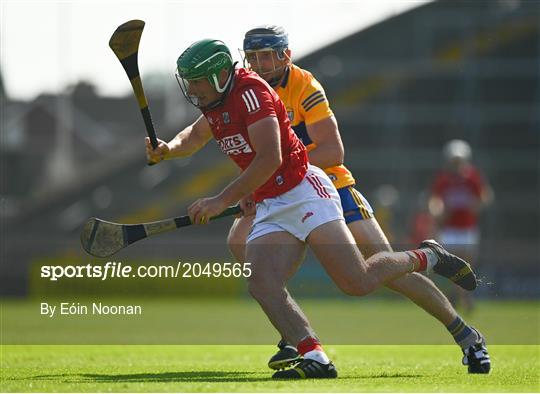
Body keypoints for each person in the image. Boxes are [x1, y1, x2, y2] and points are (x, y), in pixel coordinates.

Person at [146, 38, 482, 379]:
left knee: (357, 281)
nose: (192, 89)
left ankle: (428, 256)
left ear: (219, 76)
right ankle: (314, 354)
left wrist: (224, 198)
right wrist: (169, 148)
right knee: (261, 283)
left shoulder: (252, 93)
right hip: (271, 201)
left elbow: (271, 157)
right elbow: (196, 134)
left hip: (305, 191)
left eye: (197, 81)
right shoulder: (215, 101)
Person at [429, 139, 494, 312]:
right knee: (452, 266)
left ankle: (459, 296)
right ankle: (461, 297)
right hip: (450, 230)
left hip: (467, 229)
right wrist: (437, 210)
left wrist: (477, 204)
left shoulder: (472, 177)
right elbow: (435, 200)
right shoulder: (444, 179)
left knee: (467, 265)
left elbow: (485, 195)